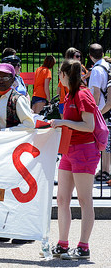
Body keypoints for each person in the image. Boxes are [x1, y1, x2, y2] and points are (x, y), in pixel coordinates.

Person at [49, 59, 99, 260]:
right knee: (62, 199)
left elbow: (89, 126)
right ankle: (63, 243)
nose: (58, 77)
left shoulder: (82, 94)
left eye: (59, 73)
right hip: (69, 150)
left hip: (85, 151)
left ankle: (84, 246)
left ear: (65, 74)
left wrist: (63, 122)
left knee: (85, 200)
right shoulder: (70, 94)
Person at [0, 63, 35, 244]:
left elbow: (29, 125)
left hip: (13, 152)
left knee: (14, 191)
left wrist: (4, 133)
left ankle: (22, 231)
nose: (1, 80)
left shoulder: (18, 99)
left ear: (12, 79)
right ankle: (0, 229)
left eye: (5, 77)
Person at [87, 44, 111, 184]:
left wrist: (94, 111)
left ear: (90, 56)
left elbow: (96, 93)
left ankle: (105, 170)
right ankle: (106, 169)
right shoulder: (107, 65)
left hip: (101, 109)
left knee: (102, 141)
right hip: (107, 108)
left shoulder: (96, 70)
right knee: (107, 141)